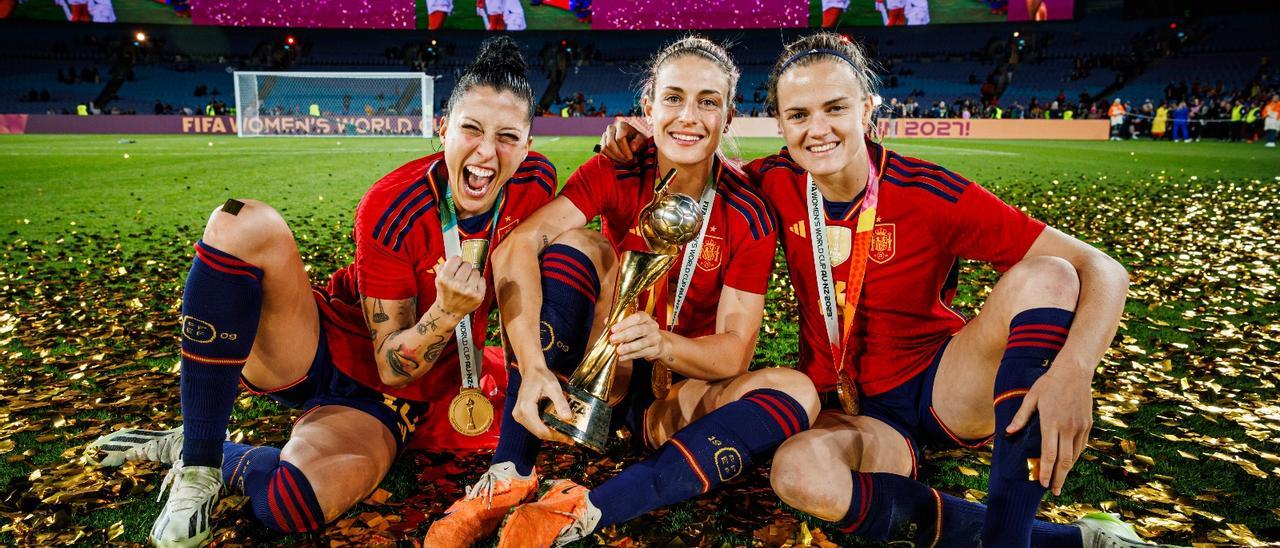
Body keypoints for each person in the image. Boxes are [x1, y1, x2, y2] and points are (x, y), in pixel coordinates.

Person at [601, 32, 1148, 548]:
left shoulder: (928, 192)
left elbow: (1103, 269)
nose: (818, 129)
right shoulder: (771, 183)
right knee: (799, 475)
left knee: (1047, 274)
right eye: (799, 115)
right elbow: (699, 162)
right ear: (781, 124)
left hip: (942, 387)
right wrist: (642, 136)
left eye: (835, 108)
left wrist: (1074, 371)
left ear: (867, 108)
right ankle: (1068, 540)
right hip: (846, 408)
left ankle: (1009, 538)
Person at [89, 37, 556, 547]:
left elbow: (393, 381)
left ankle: (210, 450)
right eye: (471, 128)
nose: (487, 151)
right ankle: (199, 463)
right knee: (239, 221)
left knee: (292, 504)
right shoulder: (391, 206)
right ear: (442, 129)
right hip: (321, 345)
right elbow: (387, 359)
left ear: (528, 147)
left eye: (507, 136)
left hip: (387, 403)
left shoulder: (536, 187)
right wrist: (445, 313)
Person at [426, 36, 818, 547]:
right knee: (576, 244)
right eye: (674, 98)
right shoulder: (616, 169)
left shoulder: (747, 211)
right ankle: (510, 471)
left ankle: (581, 511)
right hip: (599, 371)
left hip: (679, 395)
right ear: (648, 106)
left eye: (708, 102)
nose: (689, 117)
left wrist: (663, 345)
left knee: (798, 392)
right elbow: (516, 247)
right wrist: (534, 368)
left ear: (729, 117)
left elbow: (734, 353)